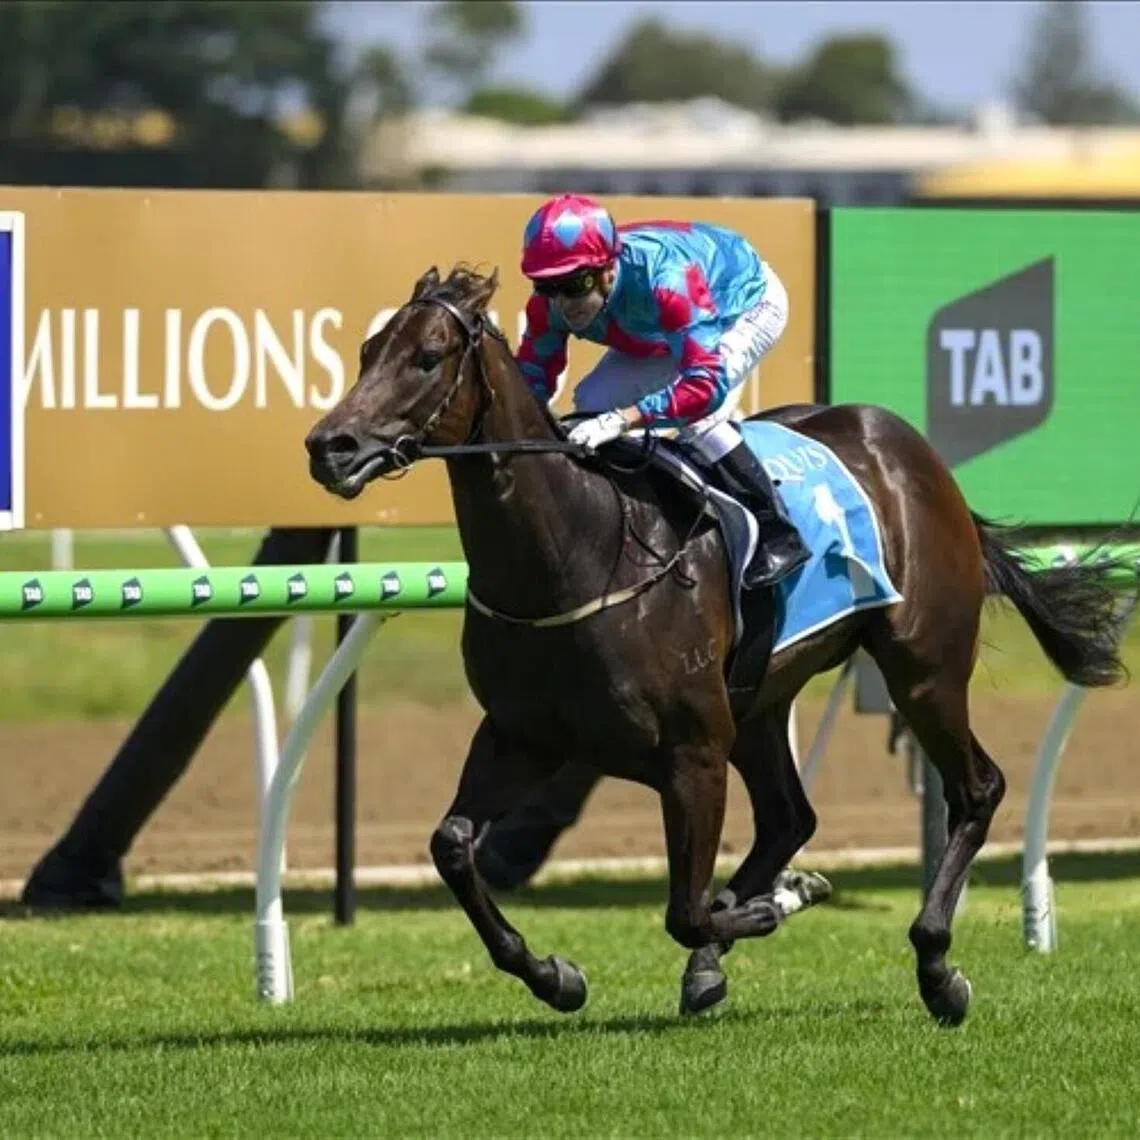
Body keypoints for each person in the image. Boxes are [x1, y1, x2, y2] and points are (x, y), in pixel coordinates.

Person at [514, 193, 809, 588]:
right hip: (660, 331)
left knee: (698, 419)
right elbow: (532, 377)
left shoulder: (667, 279)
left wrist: (625, 419)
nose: (565, 303)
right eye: (547, 286)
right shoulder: (549, 304)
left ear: (607, 269)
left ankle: (778, 530)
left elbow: (704, 385)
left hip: (740, 306)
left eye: (576, 284)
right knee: (590, 405)